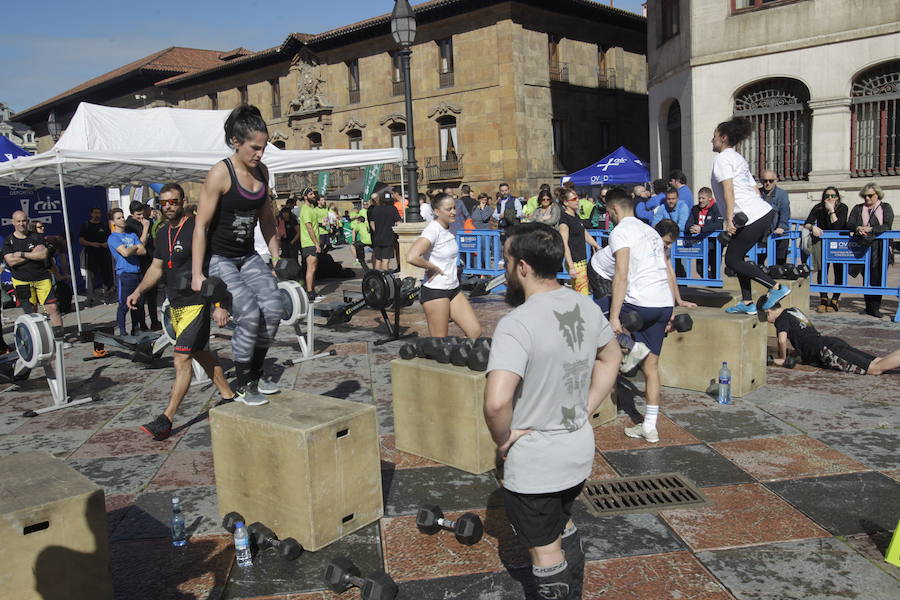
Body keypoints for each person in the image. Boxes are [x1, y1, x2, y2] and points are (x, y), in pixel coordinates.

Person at [484, 222, 620, 600]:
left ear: (523, 266)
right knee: (561, 525)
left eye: (507, 259)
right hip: (577, 451)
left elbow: (496, 402)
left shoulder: (516, 324)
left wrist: (504, 439)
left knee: (545, 550)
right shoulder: (584, 304)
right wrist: (586, 406)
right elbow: (612, 357)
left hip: (537, 462)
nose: (505, 265)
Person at [127, 184, 243, 440]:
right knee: (202, 353)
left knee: (181, 358)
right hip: (176, 304)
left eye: (173, 201)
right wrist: (138, 291)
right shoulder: (161, 232)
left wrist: (218, 304)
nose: (168, 206)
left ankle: (166, 419)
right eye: (164, 202)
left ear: (183, 201)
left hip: (197, 302)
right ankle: (229, 395)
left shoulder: (196, 228)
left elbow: (215, 266)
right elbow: (157, 268)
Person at [192, 104, 283, 404]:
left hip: (248, 256)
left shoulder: (263, 172)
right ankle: (243, 383)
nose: (259, 154)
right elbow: (201, 226)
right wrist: (197, 274)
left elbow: (267, 219)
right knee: (249, 312)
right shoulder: (221, 173)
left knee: (273, 308)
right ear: (236, 141)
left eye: (263, 148)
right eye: (254, 148)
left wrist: (276, 256)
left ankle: (255, 375)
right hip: (220, 258)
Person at [603, 188, 675, 443]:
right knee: (652, 368)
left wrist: (613, 317)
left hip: (640, 304)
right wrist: (673, 306)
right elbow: (665, 270)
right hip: (663, 303)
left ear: (613, 210)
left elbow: (620, 275)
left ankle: (630, 355)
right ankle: (650, 427)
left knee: (599, 317)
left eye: (608, 212)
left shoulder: (620, 232)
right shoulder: (651, 231)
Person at [711, 117, 790, 314]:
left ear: (723, 137)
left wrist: (729, 220)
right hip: (759, 213)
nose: (711, 140)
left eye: (714, 137)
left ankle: (776, 288)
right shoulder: (738, 158)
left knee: (732, 260)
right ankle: (747, 303)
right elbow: (754, 189)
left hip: (750, 216)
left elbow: (728, 190)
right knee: (737, 258)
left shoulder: (722, 159)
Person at [406, 193, 482, 338]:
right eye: (448, 209)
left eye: (454, 208)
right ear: (437, 212)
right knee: (440, 342)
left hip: (453, 288)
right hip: (436, 291)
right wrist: (432, 267)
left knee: (474, 331)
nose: (453, 212)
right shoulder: (433, 229)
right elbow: (412, 256)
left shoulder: (449, 226)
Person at [758, 299, 900, 375]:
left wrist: (782, 359)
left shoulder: (780, 319)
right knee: (879, 360)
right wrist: (796, 354)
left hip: (826, 351)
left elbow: (782, 340)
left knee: (875, 368)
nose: (766, 320)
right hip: (829, 343)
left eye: (764, 316)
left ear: (768, 310)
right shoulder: (793, 311)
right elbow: (804, 336)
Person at [2, 211, 65, 342]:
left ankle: (60, 340)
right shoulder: (9, 241)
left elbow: (42, 255)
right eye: (18, 221)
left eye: (24, 221)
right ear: (13, 222)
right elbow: (11, 261)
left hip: (42, 278)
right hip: (22, 281)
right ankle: (38, 342)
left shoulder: (36, 237)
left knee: (53, 308)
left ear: (28, 221)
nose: (21, 224)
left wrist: (21, 254)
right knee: (31, 313)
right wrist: (31, 254)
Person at [846, 182, 894, 319]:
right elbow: (850, 223)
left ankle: (875, 308)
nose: (867, 198)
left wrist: (871, 229)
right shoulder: (858, 208)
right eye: (864, 196)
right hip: (862, 246)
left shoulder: (885, 207)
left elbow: (887, 225)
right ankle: (868, 307)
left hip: (879, 247)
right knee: (865, 275)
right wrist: (858, 228)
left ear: (877, 194)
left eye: (870, 195)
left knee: (876, 276)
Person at [803, 187, 848, 312]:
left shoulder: (843, 207)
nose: (830, 198)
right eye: (827, 195)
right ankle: (823, 298)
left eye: (833, 196)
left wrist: (831, 210)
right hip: (823, 242)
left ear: (838, 197)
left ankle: (835, 299)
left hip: (838, 243)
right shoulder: (818, 207)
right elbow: (807, 222)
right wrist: (813, 227)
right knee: (823, 270)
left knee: (839, 270)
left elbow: (837, 226)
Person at [107, 208, 147, 336]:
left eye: (123, 217)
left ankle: (136, 328)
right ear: (113, 222)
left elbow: (143, 251)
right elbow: (125, 253)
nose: (123, 219)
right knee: (124, 304)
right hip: (124, 274)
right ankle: (123, 332)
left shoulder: (132, 235)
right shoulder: (113, 238)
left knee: (138, 303)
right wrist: (136, 246)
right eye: (118, 218)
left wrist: (133, 249)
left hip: (137, 273)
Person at [125, 201, 161, 331]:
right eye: (138, 214)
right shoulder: (129, 226)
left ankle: (154, 321)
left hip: (151, 262)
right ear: (132, 214)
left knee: (152, 296)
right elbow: (140, 246)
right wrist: (145, 228)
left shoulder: (148, 221)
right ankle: (140, 324)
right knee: (140, 297)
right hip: (139, 265)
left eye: (142, 214)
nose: (141, 217)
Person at [558, 188, 601, 296]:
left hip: (581, 260)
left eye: (577, 197)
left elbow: (585, 234)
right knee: (582, 292)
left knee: (578, 292)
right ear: (566, 202)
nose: (578, 200)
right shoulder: (564, 220)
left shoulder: (575, 216)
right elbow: (564, 244)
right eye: (574, 198)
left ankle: (576, 310)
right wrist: (571, 267)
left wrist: (596, 246)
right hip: (575, 261)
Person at [78, 207, 113, 305]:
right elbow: (81, 240)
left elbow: (109, 237)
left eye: (99, 213)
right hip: (90, 254)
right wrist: (92, 244)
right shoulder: (86, 225)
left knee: (105, 275)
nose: (97, 215)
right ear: (91, 214)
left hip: (103, 254)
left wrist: (106, 243)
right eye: (95, 213)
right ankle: (89, 299)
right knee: (90, 278)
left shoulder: (104, 225)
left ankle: (107, 298)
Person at [686, 187, 724, 278]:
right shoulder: (695, 209)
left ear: (710, 198)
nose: (700, 200)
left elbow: (718, 224)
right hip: (700, 243)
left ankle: (714, 284)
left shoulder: (717, 208)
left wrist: (701, 229)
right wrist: (691, 228)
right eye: (699, 198)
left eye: (703, 198)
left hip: (715, 243)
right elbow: (688, 223)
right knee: (700, 269)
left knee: (715, 268)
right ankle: (710, 281)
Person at [759, 170, 791, 266]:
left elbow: (785, 213)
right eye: (765, 181)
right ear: (761, 181)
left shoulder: (782, 195)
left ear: (775, 181)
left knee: (782, 242)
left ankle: (779, 269)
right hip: (761, 232)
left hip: (776, 231)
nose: (768, 183)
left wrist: (781, 226)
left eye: (771, 181)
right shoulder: (757, 194)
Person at [298, 190, 322, 302]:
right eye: (311, 194)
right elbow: (309, 228)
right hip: (309, 243)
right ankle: (310, 293)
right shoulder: (306, 210)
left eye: (313, 194)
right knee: (310, 269)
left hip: (311, 243)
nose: (313, 196)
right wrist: (316, 243)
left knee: (314, 268)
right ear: (305, 196)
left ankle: (313, 291)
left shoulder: (311, 209)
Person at [370, 191, 401, 271]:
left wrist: (376, 231)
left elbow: (372, 222)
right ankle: (385, 278)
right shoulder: (393, 209)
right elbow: (398, 223)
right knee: (385, 260)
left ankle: (377, 278)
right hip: (389, 238)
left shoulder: (376, 209)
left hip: (377, 237)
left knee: (378, 259)